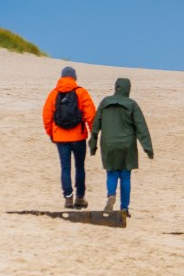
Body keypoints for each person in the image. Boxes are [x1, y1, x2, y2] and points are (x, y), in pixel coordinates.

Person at [88, 78, 153, 216]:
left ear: (116, 87)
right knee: (125, 176)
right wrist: (147, 148)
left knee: (111, 172)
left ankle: (111, 195)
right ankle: (124, 208)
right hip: (127, 145)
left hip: (108, 144)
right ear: (128, 89)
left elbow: (95, 125)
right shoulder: (132, 104)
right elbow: (141, 127)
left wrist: (92, 145)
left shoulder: (105, 102)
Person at [43, 66, 97, 208]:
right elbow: (91, 115)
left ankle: (68, 197)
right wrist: (94, 133)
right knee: (80, 167)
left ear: (61, 77)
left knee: (65, 168)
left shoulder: (54, 94)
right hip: (78, 136)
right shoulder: (81, 92)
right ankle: (80, 197)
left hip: (60, 138)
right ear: (74, 78)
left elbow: (47, 116)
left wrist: (51, 133)